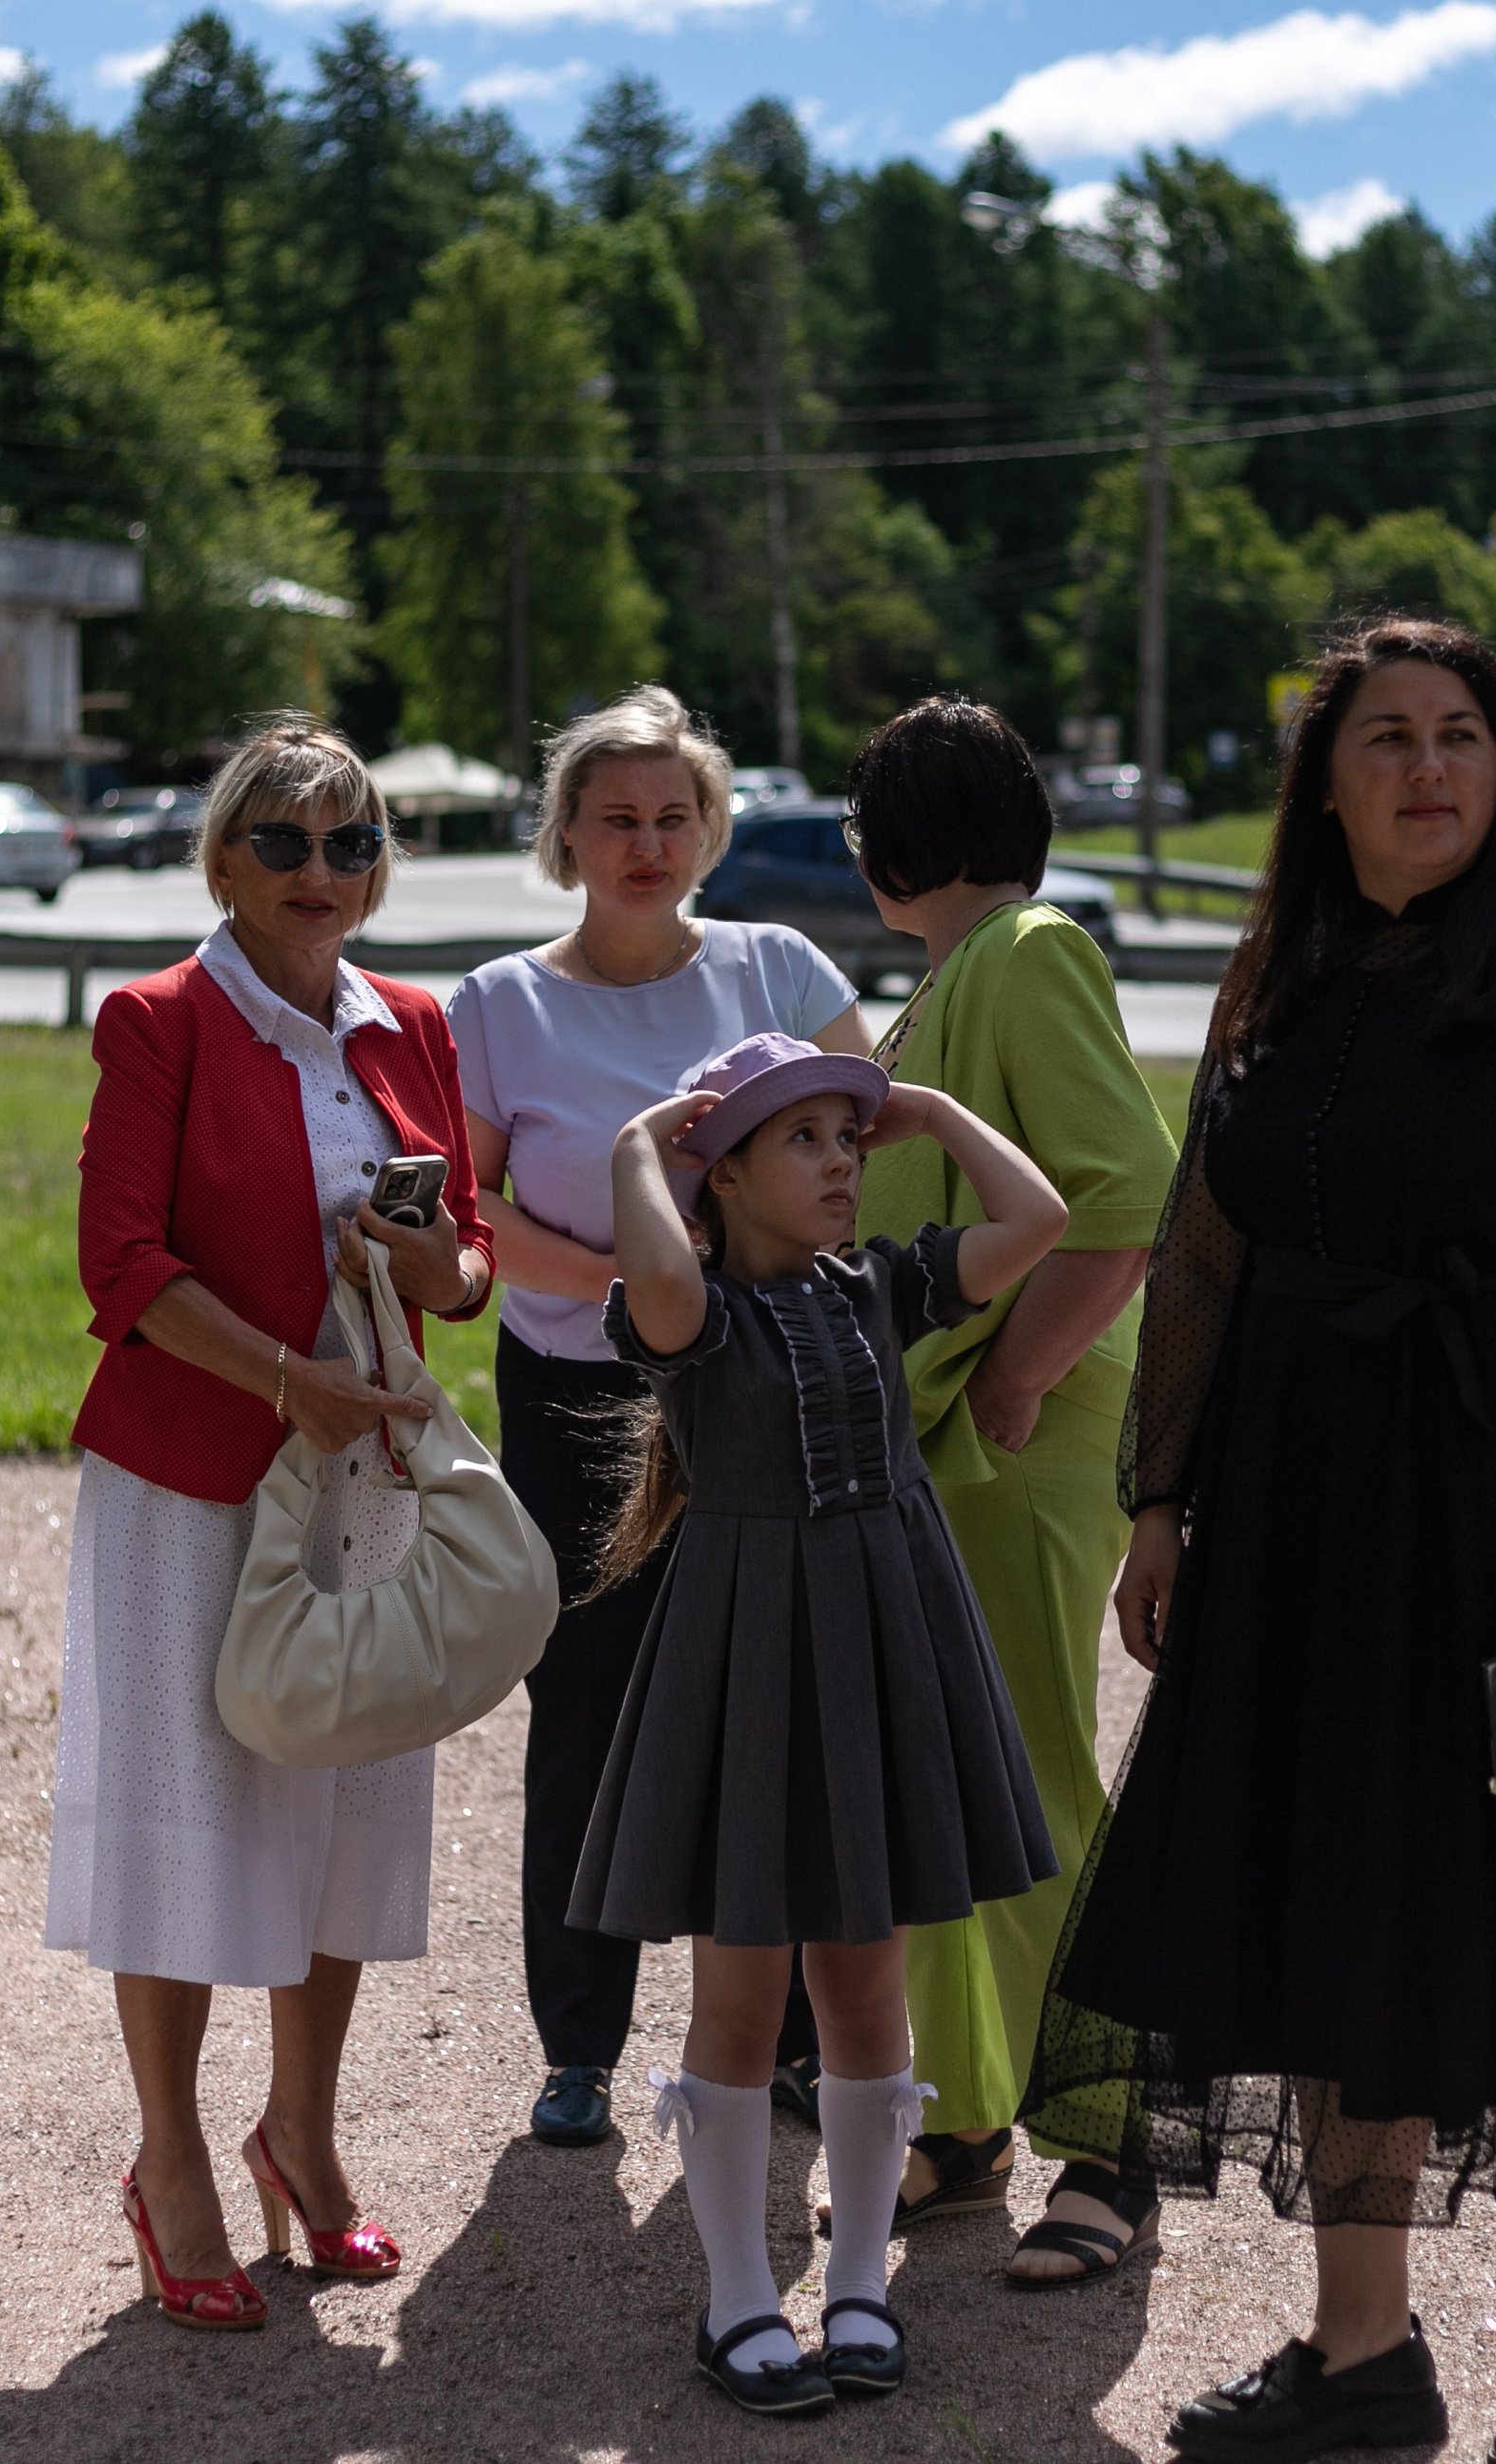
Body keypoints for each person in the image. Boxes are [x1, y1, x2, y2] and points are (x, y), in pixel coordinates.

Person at [1022, 618, 1496, 2464]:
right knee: (1329, 1893)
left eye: (1461, 734)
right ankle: (1361, 2351)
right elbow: (1202, 1249)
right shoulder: (1283, 971)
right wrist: (1159, 1496)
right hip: (1295, 1509)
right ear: (1325, 782)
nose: (1426, 767)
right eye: (1387, 736)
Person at [45, 717, 495, 2330]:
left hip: (363, 1477)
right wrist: (284, 1379)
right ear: (223, 861)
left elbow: (466, 1259)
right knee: (187, 1798)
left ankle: (300, 2131)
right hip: (192, 1474)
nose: (323, 870)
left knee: (349, 1798)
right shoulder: (158, 1018)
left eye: (352, 842)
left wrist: (440, 1265)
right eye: (287, 841)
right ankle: (169, 2157)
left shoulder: (414, 1025)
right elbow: (122, 1264)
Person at [572, 1034, 1067, 2413]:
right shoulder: (698, 1316)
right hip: (747, 1656)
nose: (846, 1161)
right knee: (740, 1993)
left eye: (852, 1137)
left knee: (862, 1984)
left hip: (883, 1643)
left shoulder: (878, 1285)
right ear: (722, 1175)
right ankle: (737, 2294)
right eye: (805, 1139)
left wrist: (938, 1111)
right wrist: (639, 1145)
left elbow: (1041, 1220)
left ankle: (857, 2283)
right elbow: (659, 1271)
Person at [446, 686, 869, 2150]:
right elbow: (471, 1209)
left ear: (710, 829)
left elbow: (857, 1155)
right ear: (564, 833)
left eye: (672, 816)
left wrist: (720, 1292)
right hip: (576, 1390)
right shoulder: (498, 1004)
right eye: (616, 817)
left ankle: (793, 2042)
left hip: (762, 1383)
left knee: (778, 1703)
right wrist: (638, 1279)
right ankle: (579, 2044)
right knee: (585, 1709)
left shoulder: (781, 967)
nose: (646, 841)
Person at [837, 699, 1179, 2283]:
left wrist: (1019, 1380)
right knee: (943, 1791)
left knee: (1030, 1783)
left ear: (899, 843)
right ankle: (968, 2119)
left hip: (1017, 1438)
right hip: (949, 1444)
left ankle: (1114, 2139)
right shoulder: (950, 977)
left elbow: (1126, 1197)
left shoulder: (1029, 950)